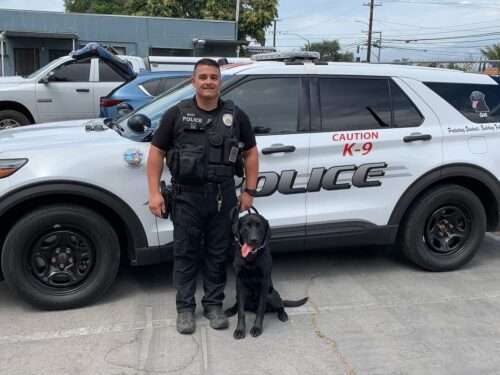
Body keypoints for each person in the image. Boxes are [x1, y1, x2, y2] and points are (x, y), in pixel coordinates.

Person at [147, 58, 258, 335]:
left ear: (220, 82)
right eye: (203, 77)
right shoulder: (177, 114)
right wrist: (153, 193)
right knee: (185, 253)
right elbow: (156, 153)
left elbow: (251, 153)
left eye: (213, 77)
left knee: (218, 253)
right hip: (187, 198)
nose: (208, 81)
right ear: (193, 81)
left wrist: (249, 190)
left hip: (223, 197)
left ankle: (213, 305)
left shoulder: (236, 114)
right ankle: (185, 309)